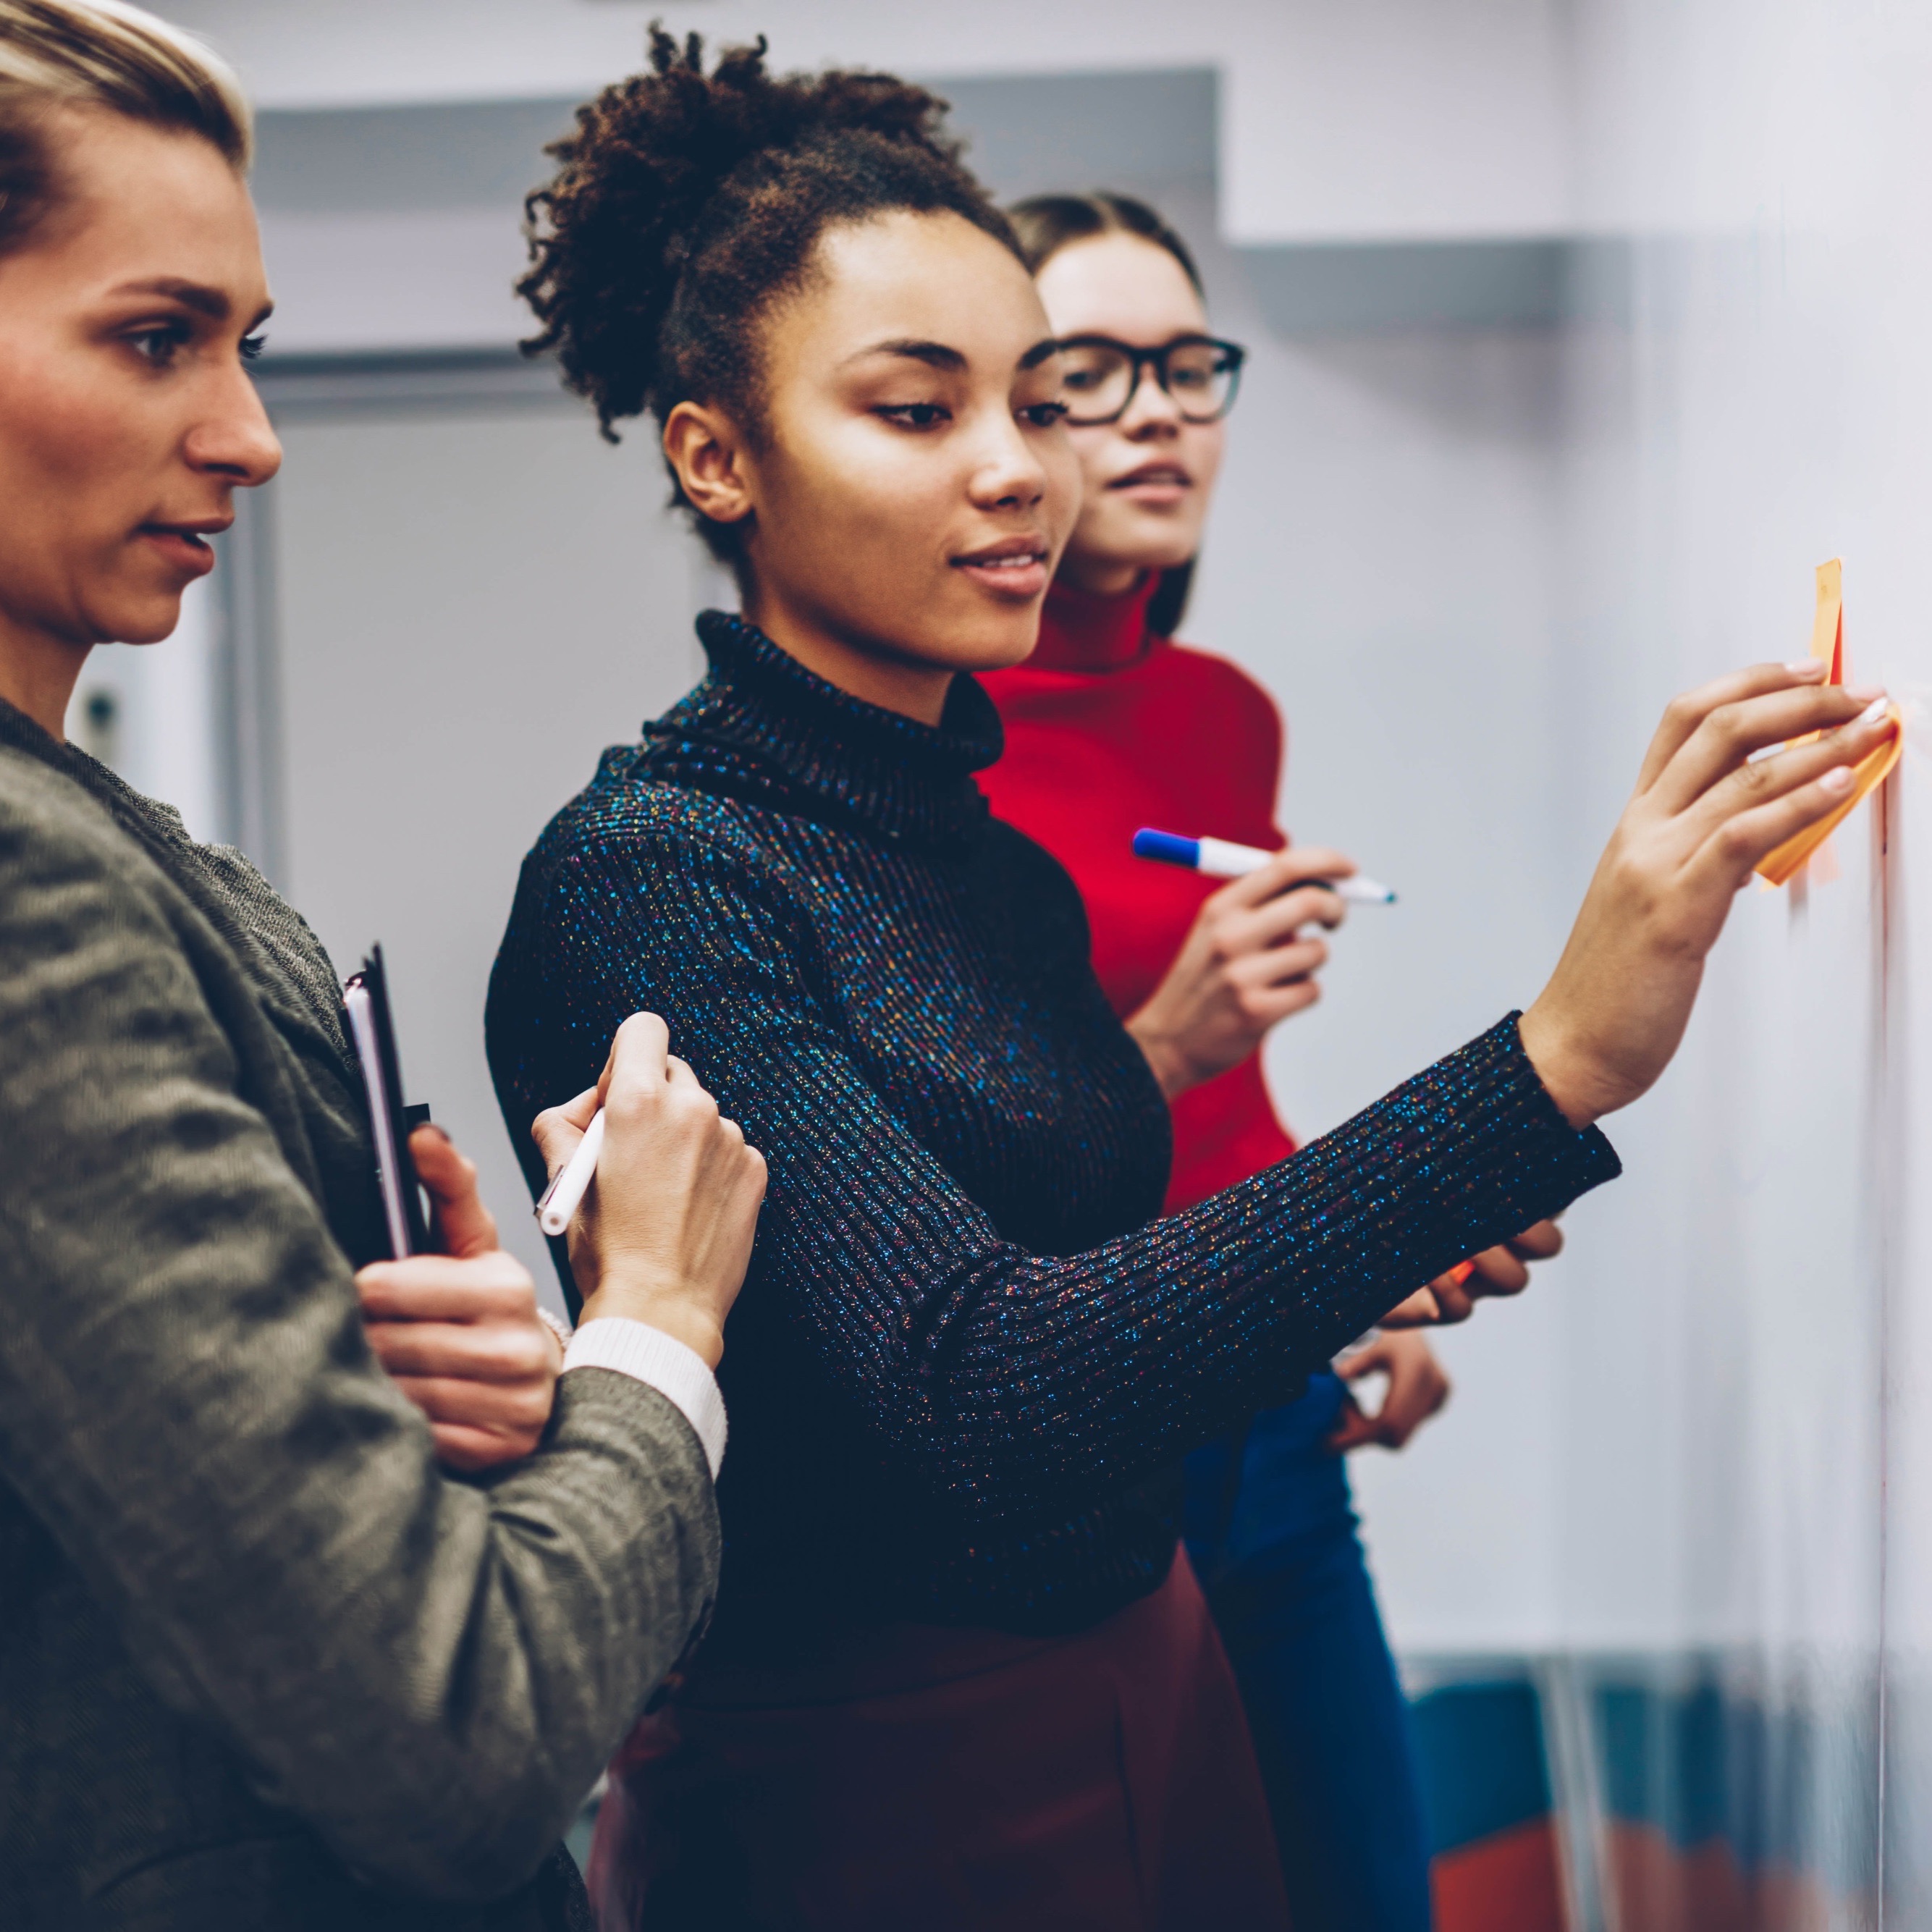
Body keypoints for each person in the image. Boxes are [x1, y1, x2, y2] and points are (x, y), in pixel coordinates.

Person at [485, 32, 1889, 1931]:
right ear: (714, 454)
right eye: (918, 409)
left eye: (1021, 400)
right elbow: (979, 1389)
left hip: (1150, 1675)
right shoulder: (652, 879)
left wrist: (1359, 1243)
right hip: (870, 1797)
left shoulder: (966, 843)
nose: (1019, 469)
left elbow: (1082, 1233)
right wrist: (1546, 1063)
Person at [0, 7, 767, 1928]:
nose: (249, 434)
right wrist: (652, 1325)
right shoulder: (31, 886)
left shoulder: (102, 834)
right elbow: (451, 1738)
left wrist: (388, 1381)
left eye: (241, 349)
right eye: (153, 337)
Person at [978, 187, 1455, 1929]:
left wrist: (1362, 1280)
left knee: (1369, 1895)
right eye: (1090, 370)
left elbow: (1237, 1103)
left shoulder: (1221, 711)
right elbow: (926, 1183)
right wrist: (1163, 1040)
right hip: (1073, 1460)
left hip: (1273, 1414)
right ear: (995, 410)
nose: (1160, 410)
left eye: (1188, 365)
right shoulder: (920, 746)